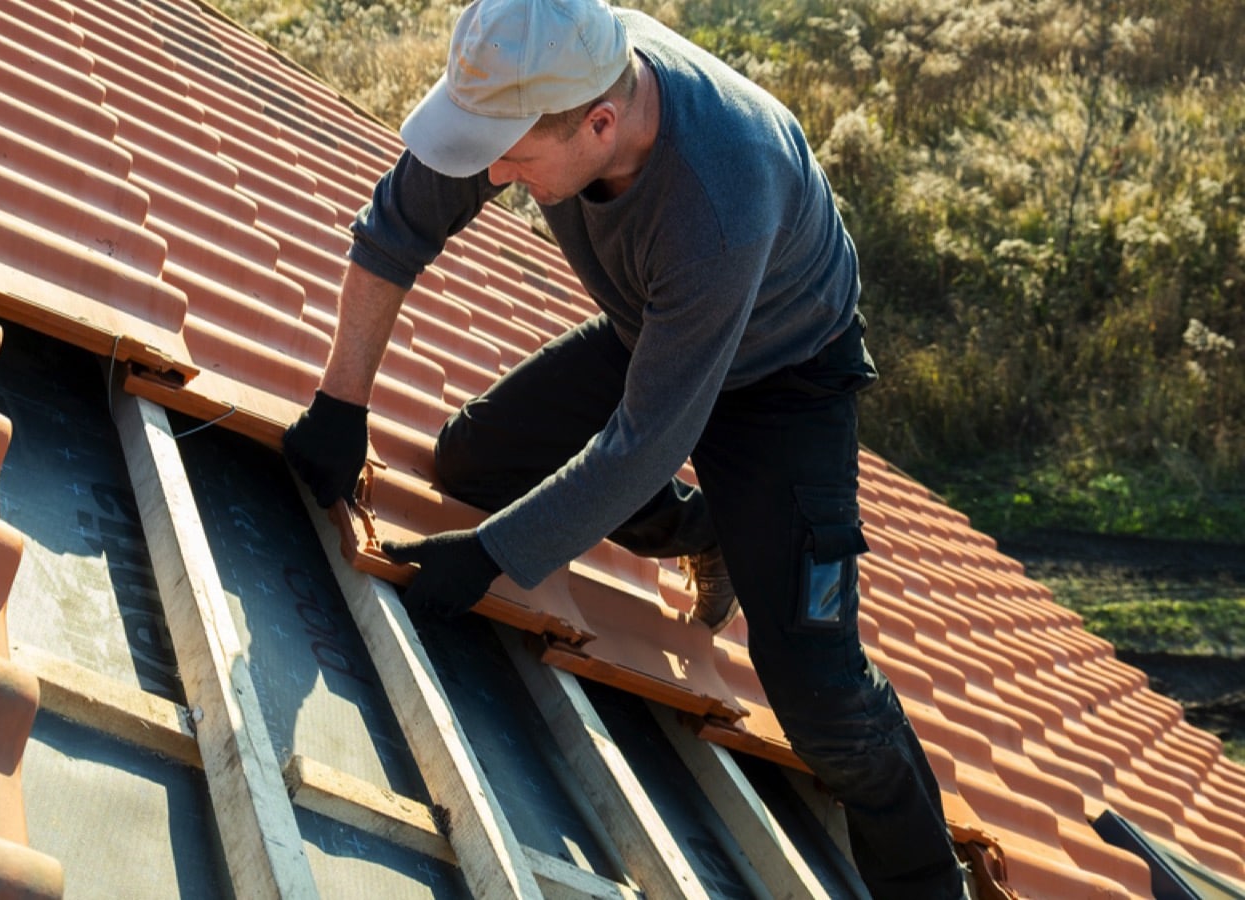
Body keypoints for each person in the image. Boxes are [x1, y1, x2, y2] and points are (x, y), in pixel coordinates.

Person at [282, 0, 969, 895]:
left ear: (601, 125)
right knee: (473, 465)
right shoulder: (540, 75)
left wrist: (491, 557)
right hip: (661, 323)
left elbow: (645, 442)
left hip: (785, 373)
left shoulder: (722, 195)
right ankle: (706, 531)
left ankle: (927, 884)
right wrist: (342, 403)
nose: (493, 172)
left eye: (515, 159)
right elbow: (396, 227)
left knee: (815, 683)